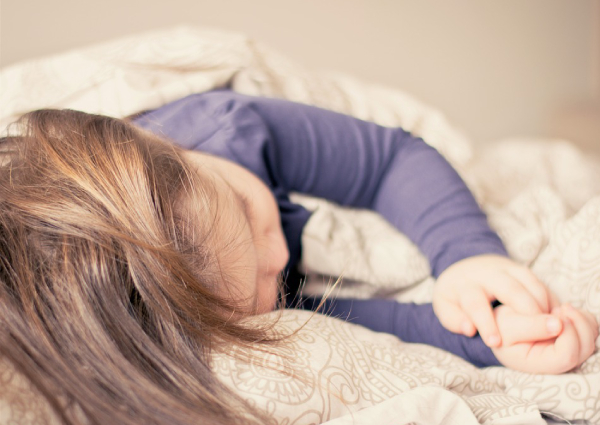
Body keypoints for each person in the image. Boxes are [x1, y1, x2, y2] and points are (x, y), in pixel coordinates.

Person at [0, 91, 596, 425]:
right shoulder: (183, 319)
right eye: (264, 285)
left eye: (248, 212)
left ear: (169, 146)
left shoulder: (222, 131)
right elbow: (329, 317)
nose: (280, 252)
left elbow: (391, 161)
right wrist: (490, 338)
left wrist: (466, 258)